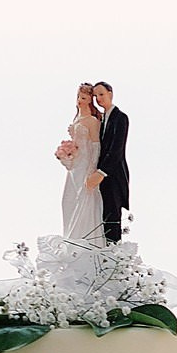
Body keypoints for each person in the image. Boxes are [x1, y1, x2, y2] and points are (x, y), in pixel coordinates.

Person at [54, 83, 103, 242]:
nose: (79, 101)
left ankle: (82, 240)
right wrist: (67, 154)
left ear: (90, 100)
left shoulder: (92, 121)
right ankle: (70, 239)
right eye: (78, 97)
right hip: (75, 166)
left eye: (83, 98)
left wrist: (92, 169)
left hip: (85, 165)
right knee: (68, 200)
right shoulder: (77, 119)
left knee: (83, 200)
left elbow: (95, 146)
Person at [92, 82, 129, 240]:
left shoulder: (120, 118)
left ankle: (114, 253)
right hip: (102, 175)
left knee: (113, 215)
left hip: (113, 174)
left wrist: (101, 172)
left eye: (101, 94)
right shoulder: (100, 119)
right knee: (103, 214)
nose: (98, 99)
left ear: (110, 93)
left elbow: (117, 149)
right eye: (95, 96)